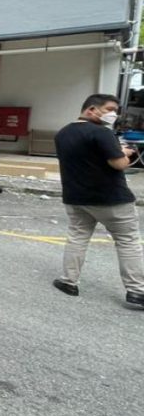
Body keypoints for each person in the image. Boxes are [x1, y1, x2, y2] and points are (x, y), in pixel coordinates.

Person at [52, 94, 144, 307]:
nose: (114, 114)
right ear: (92, 109)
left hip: (75, 197)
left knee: (77, 237)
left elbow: (86, 157)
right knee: (128, 241)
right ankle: (137, 290)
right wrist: (126, 154)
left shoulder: (63, 133)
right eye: (110, 109)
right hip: (111, 199)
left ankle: (68, 281)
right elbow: (118, 164)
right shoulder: (102, 133)